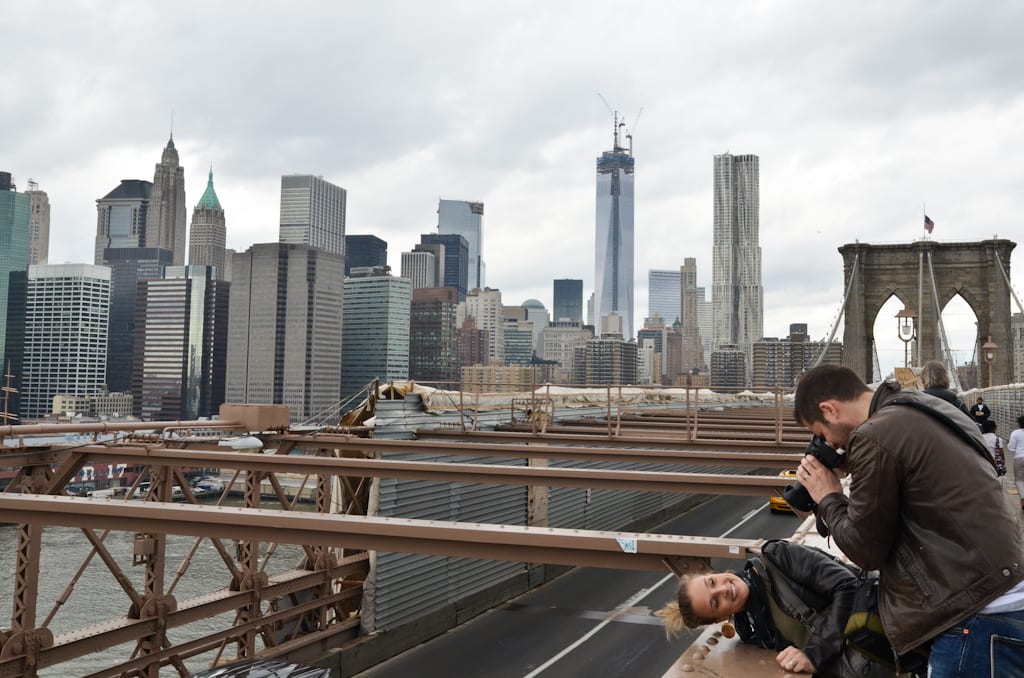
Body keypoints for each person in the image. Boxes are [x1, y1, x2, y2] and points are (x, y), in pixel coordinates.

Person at [793, 365, 1024, 677]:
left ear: (829, 409)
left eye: (822, 434)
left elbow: (865, 551)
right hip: (1007, 592)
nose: (830, 445)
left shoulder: (874, 436)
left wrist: (828, 496)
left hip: (973, 615)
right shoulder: (925, 405)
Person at [656, 539, 891, 677]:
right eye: (715, 602)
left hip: (896, 630)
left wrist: (813, 653)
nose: (722, 589)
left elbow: (849, 586)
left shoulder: (778, 558)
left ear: (715, 574)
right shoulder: (753, 631)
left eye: (712, 582)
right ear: (720, 618)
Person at [1008, 415, 1024, 512]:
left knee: (1019, 480)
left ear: (1019, 423)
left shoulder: (1015, 433)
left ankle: (1023, 498)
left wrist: (1008, 443)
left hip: (1019, 457)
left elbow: (1011, 448)